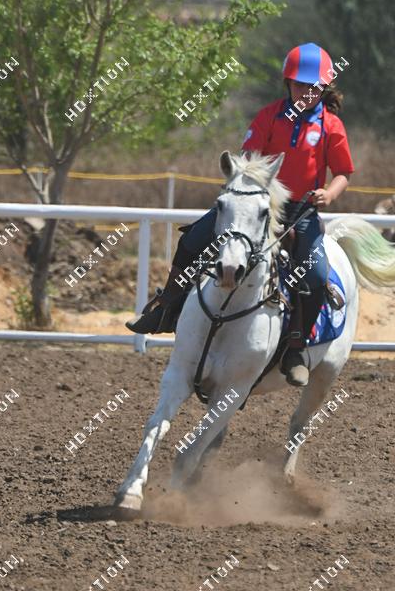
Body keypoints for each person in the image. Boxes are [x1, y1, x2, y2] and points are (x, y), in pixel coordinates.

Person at [126, 42, 355, 386]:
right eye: (299, 85)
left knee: (316, 274)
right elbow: (247, 158)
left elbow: (343, 173)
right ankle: (166, 306)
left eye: (313, 87)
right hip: (255, 206)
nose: (306, 93)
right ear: (288, 83)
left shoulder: (331, 126)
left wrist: (330, 193)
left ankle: (296, 348)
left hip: (300, 212)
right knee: (192, 240)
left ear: (324, 88)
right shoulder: (268, 117)